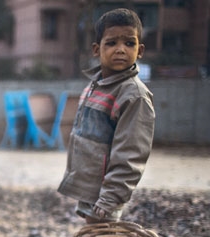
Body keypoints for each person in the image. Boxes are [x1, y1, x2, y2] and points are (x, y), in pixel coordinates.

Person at [57, 8, 155, 224]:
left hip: (106, 192)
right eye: (111, 43)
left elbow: (131, 153)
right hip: (90, 188)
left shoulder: (133, 95)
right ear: (96, 49)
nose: (120, 50)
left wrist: (110, 197)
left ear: (140, 50)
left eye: (129, 43)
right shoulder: (98, 85)